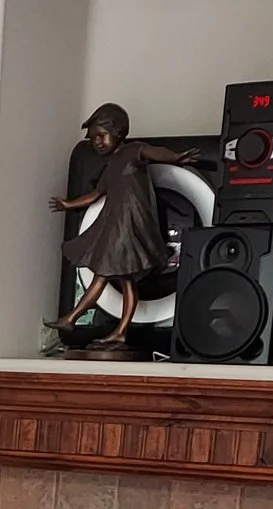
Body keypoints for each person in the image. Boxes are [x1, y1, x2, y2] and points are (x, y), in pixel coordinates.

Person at [47, 103, 204, 350]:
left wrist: (175, 157)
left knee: (104, 273)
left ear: (118, 132)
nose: (97, 143)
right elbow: (96, 194)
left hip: (130, 225)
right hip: (116, 224)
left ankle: (74, 319)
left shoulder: (132, 151)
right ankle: (111, 329)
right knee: (124, 279)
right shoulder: (110, 165)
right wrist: (68, 204)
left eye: (101, 136)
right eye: (93, 139)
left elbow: (154, 152)